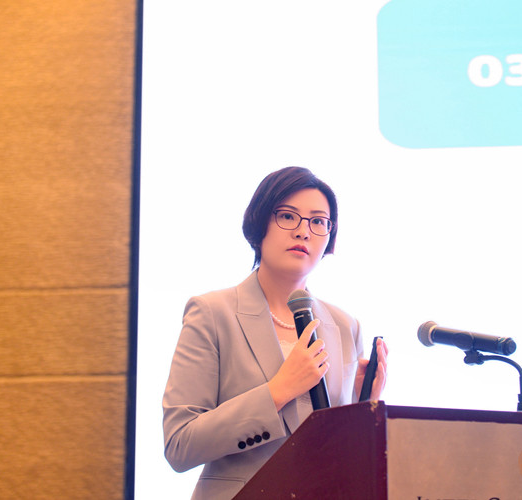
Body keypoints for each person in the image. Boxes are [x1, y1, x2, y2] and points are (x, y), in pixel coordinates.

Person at [162, 166, 388, 499]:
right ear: (259, 224)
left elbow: (337, 453)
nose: (303, 232)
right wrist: (278, 391)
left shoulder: (345, 326)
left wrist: (363, 404)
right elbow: (179, 445)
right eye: (287, 216)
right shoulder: (211, 312)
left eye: (318, 221)